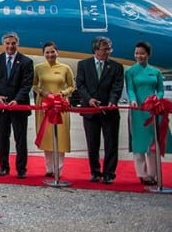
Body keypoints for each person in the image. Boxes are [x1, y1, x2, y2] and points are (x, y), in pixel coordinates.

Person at [76, 36, 124, 184]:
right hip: (90, 111)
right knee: (92, 144)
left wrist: (112, 101)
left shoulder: (116, 66)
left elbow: (117, 87)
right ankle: (95, 172)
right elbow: (80, 84)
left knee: (111, 143)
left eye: (109, 48)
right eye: (105, 49)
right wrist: (89, 99)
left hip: (109, 111)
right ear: (96, 49)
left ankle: (109, 173)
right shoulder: (84, 64)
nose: (108, 51)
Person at [0, 31, 34, 178]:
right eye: (7, 43)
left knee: (20, 140)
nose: (10, 46)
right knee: (2, 138)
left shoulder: (26, 62)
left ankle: (21, 169)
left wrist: (17, 99)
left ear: (17, 44)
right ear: (3, 44)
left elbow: (27, 84)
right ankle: (3, 167)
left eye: (13, 43)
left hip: (18, 107)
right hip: (2, 107)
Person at [125, 41, 169, 185]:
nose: (139, 56)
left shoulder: (156, 72)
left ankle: (153, 174)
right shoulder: (130, 72)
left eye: (142, 53)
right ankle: (142, 174)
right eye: (136, 53)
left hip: (154, 110)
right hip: (137, 111)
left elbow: (161, 90)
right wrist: (132, 100)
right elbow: (130, 89)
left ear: (148, 54)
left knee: (152, 143)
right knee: (138, 143)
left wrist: (158, 98)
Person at [32, 41, 75, 176]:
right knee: (46, 135)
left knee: (60, 136)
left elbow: (71, 86)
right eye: (47, 52)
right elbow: (34, 85)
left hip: (60, 105)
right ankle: (49, 168)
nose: (50, 54)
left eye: (52, 52)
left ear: (57, 52)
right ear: (43, 54)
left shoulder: (65, 68)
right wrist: (43, 93)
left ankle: (59, 169)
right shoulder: (38, 68)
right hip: (45, 105)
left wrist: (62, 93)